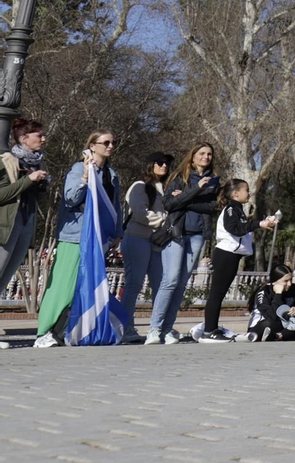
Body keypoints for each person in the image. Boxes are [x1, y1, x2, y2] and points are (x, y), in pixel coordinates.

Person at [35, 130, 122, 347]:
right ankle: (44, 333)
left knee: (85, 287)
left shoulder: (111, 175)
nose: (111, 146)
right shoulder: (78, 168)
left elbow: (115, 206)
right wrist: (85, 176)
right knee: (64, 287)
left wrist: (117, 232)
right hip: (75, 236)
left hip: (98, 238)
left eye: (113, 142)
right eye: (106, 142)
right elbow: (70, 198)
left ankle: (64, 332)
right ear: (92, 145)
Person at [148, 142, 219, 345]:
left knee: (181, 283)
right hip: (176, 233)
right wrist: (196, 189)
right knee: (169, 280)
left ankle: (168, 329)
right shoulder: (180, 177)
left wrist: (186, 199)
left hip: (197, 234)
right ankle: (155, 329)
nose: (206, 157)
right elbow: (169, 203)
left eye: (209, 154)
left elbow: (213, 206)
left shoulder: (214, 180)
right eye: (202, 153)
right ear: (193, 155)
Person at [197, 178, 281, 342]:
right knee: (217, 293)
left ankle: (212, 328)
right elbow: (235, 228)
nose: (249, 193)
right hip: (225, 254)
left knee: (219, 293)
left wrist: (260, 224)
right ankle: (209, 331)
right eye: (246, 190)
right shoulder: (231, 208)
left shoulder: (238, 209)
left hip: (232, 254)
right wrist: (259, 224)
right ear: (235, 193)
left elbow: (242, 227)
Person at [119, 152, 171, 339]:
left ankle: (158, 328)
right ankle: (125, 328)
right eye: (159, 162)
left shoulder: (163, 188)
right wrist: (166, 222)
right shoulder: (140, 186)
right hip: (136, 239)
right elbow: (140, 213)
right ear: (150, 164)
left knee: (161, 284)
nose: (164, 165)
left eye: (166, 163)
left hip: (156, 242)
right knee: (134, 284)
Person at [0, 119, 49, 306]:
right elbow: (2, 194)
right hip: (7, 225)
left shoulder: (38, 161)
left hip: (26, 221)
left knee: (6, 277)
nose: (43, 139)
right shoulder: (7, 160)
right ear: (23, 138)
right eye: (39, 135)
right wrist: (28, 180)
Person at [247, 262, 295, 342]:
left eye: (290, 280)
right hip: (265, 324)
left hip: (286, 324)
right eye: (285, 281)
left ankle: (280, 336)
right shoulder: (264, 292)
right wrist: (278, 294)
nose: (289, 284)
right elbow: (272, 317)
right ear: (275, 281)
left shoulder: (294, 288)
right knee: (268, 324)